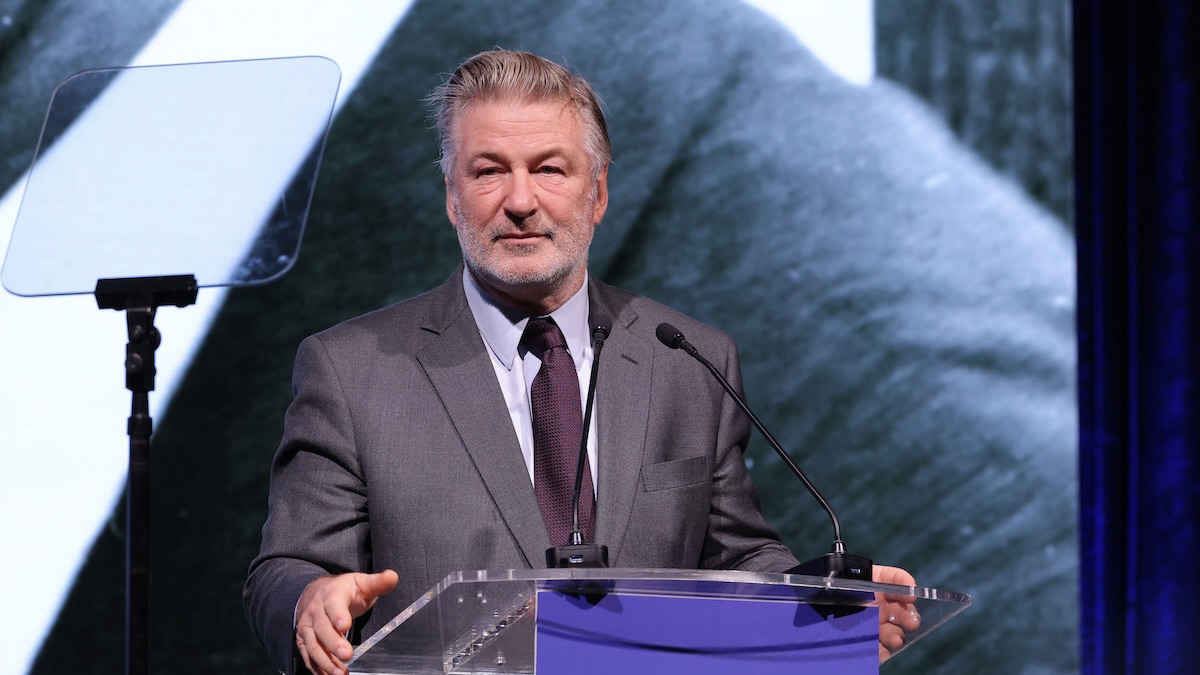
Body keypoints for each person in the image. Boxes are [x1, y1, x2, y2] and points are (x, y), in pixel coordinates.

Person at [243, 48, 918, 675]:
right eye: (488, 170)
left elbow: (737, 558)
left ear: (597, 195)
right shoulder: (353, 370)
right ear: (451, 196)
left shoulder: (687, 359)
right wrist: (309, 604)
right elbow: (285, 569)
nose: (520, 200)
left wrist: (820, 607)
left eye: (549, 168)